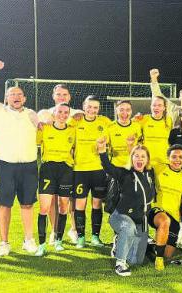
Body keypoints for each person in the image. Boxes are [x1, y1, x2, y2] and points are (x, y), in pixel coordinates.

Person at [0, 59, 40, 257]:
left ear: (24, 98)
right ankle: (4, 243)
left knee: (28, 204)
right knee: (4, 204)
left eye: (19, 94)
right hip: (5, 166)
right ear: (6, 99)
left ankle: (28, 240)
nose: (16, 96)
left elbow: (53, 115)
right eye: (12, 94)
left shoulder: (32, 114)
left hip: (29, 166)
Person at [98, 138, 155, 276]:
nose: (139, 159)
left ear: (147, 160)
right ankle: (120, 264)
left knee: (135, 260)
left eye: (143, 156)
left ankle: (119, 243)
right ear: (132, 158)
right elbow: (108, 167)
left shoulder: (150, 174)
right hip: (120, 217)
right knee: (128, 228)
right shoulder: (124, 174)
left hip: (140, 221)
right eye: (136, 156)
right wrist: (102, 151)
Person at [34, 103, 76, 256]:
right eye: (60, 112)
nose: (63, 115)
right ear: (54, 113)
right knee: (44, 208)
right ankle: (42, 244)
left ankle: (58, 240)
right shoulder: (45, 128)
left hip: (65, 170)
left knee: (63, 206)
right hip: (48, 170)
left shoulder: (73, 130)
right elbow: (35, 142)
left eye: (66, 112)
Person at [71, 96, 112, 248]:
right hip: (80, 170)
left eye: (95, 107)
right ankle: (81, 237)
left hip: (98, 171)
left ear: (98, 109)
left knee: (97, 204)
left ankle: (95, 237)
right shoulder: (75, 121)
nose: (92, 110)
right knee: (80, 204)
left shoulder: (104, 123)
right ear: (83, 106)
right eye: (89, 107)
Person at [148, 144, 182, 270]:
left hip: (174, 216)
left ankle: (150, 246)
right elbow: (141, 162)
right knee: (164, 221)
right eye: (174, 157)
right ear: (168, 158)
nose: (177, 160)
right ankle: (158, 259)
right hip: (157, 211)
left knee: (168, 254)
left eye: (180, 157)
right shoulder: (159, 168)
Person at [106, 100, 142, 169]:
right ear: (116, 111)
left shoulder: (137, 126)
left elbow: (140, 144)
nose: (124, 113)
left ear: (131, 111)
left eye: (128, 110)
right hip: (115, 166)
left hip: (133, 166)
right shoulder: (110, 127)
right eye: (121, 110)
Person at [139, 95, 173, 166]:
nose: (156, 108)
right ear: (150, 106)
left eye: (159, 105)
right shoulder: (144, 119)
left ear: (164, 108)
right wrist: (134, 118)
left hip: (164, 161)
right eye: (154, 105)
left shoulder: (169, 120)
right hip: (147, 161)